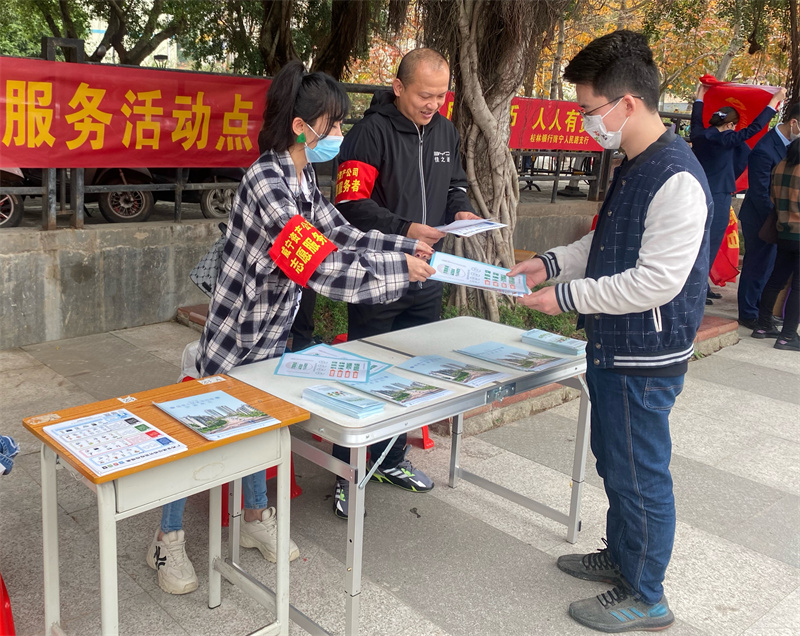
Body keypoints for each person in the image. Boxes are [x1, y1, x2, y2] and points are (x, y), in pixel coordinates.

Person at [148, 61, 435, 595]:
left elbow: (343, 234)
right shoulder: (265, 181)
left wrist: (405, 246)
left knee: (260, 426)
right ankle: (166, 539)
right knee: (201, 435)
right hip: (235, 335)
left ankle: (255, 519)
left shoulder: (302, 180)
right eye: (332, 124)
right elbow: (318, 262)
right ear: (303, 126)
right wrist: (398, 271)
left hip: (272, 334)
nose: (338, 135)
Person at [509, 30, 712, 633]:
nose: (584, 122)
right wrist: (548, 264)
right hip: (613, 344)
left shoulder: (676, 177)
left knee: (641, 472)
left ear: (627, 103)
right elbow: (605, 242)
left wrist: (565, 295)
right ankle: (622, 560)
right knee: (615, 461)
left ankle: (648, 594)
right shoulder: (634, 163)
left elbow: (655, 281)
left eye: (589, 109)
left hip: (645, 353)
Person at [327, 48, 480, 519]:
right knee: (367, 375)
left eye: (440, 95)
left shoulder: (446, 131)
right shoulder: (369, 134)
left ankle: (392, 460)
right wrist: (405, 229)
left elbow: (455, 182)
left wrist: (459, 210)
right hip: (378, 274)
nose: (432, 104)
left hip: (428, 273)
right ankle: (347, 474)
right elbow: (351, 203)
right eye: (424, 94)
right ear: (399, 88)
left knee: (411, 375)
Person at [690, 84, 784, 304]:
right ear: (730, 125)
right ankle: (698, 287)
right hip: (719, 194)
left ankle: (699, 283)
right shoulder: (726, 139)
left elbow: (696, 119)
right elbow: (755, 128)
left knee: (696, 239)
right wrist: (773, 102)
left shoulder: (699, 135)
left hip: (697, 192)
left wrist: (700, 98)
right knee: (710, 241)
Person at [738, 103, 800, 328]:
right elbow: (758, 191)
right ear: (794, 123)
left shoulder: (790, 147)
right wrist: (779, 216)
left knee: (769, 267)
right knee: (756, 266)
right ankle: (748, 313)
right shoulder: (765, 148)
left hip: (778, 219)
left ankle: (761, 312)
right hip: (761, 217)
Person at [751, 138, 800, 349]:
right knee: (798, 287)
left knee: (775, 279)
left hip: (783, 231)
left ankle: (763, 326)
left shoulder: (781, 165)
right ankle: (788, 336)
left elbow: (772, 197)